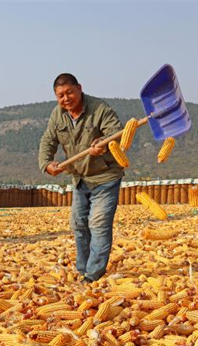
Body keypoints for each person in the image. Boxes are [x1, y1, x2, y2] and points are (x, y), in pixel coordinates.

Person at [38, 73, 124, 283]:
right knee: (79, 224)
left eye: (69, 92)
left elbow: (118, 132)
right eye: (60, 95)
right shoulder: (58, 115)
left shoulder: (99, 109)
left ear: (79, 88)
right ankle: (83, 269)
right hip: (80, 177)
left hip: (105, 176)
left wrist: (103, 143)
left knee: (98, 223)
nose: (66, 98)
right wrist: (47, 164)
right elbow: (48, 141)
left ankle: (93, 275)